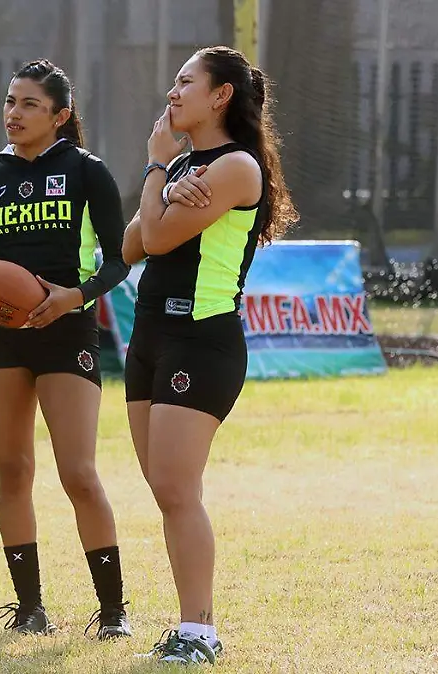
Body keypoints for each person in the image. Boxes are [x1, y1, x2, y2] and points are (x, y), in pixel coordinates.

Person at [122, 46, 297, 665]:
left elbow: (160, 233)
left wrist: (153, 168)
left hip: (201, 339)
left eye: (185, 83)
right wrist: (165, 181)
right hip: (148, 337)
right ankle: (191, 624)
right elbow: (133, 243)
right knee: (164, 487)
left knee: (175, 485)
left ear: (220, 95)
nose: (172, 94)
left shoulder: (237, 167)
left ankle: (199, 631)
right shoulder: (182, 165)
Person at [0, 59, 132, 639]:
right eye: (11, 102)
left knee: (78, 472)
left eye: (29, 104)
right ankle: (29, 607)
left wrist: (72, 297)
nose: (15, 113)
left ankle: (113, 612)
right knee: (12, 470)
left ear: (60, 115)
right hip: (2, 338)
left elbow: (119, 259)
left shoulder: (88, 173)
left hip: (67, 330)